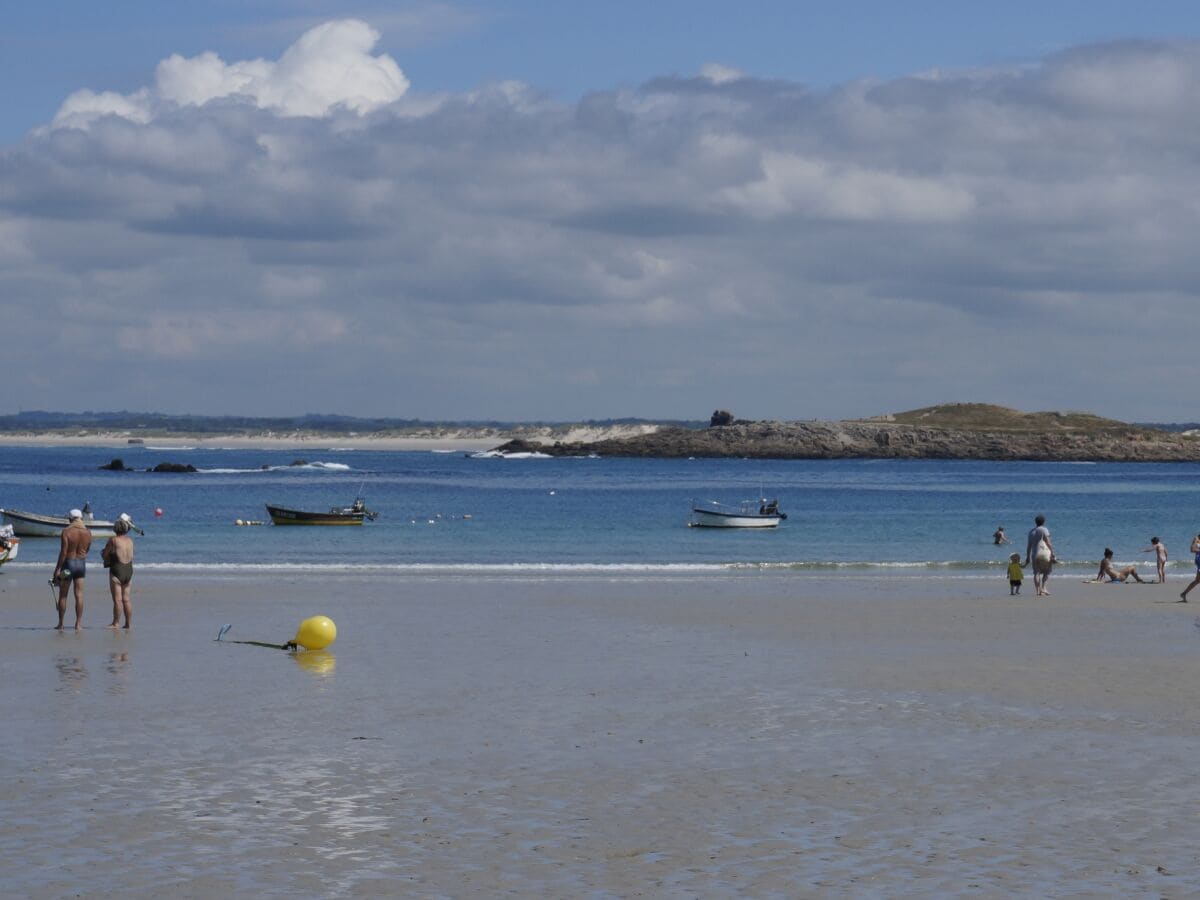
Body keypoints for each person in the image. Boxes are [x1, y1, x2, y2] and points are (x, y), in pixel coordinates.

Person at [53, 508, 92, 631]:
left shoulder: (66, 532)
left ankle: (61, 624)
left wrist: (58, 569)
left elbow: (63, 553)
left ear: (70, 519)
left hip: (68, 566)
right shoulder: (88, 532)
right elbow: (87, 550)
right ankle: (78, 624)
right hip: (81, 565)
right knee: (79, 595)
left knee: (63, 595)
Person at [101, 516, 135, 629]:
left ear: (115, 529)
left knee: (117, 599)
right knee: (126, 599)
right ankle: (128, 623)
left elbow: (105, 554)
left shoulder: (113, 540)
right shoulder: (130, 541)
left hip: (117, 569)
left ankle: (116, 623)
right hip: (129, 570)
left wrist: (104, 554)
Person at [1022, 515, 1055, 597]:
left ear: (1035, 522)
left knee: (1036, 573)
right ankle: (1043, 588)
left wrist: (1027, 557)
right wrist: (1053, 552)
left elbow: (1029, 546)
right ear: (1043, 522)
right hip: (1044, 554)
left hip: (1034, 555)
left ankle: (1038, 591)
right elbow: (1048, 542)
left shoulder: (1031, 532)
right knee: (1047, 572)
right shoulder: (1044, 529)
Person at [1180, 534, 1200, 603]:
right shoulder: (1197, 540)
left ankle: (1184, 593)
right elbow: (1192, 549)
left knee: (1197, 581)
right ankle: (1184, 593)